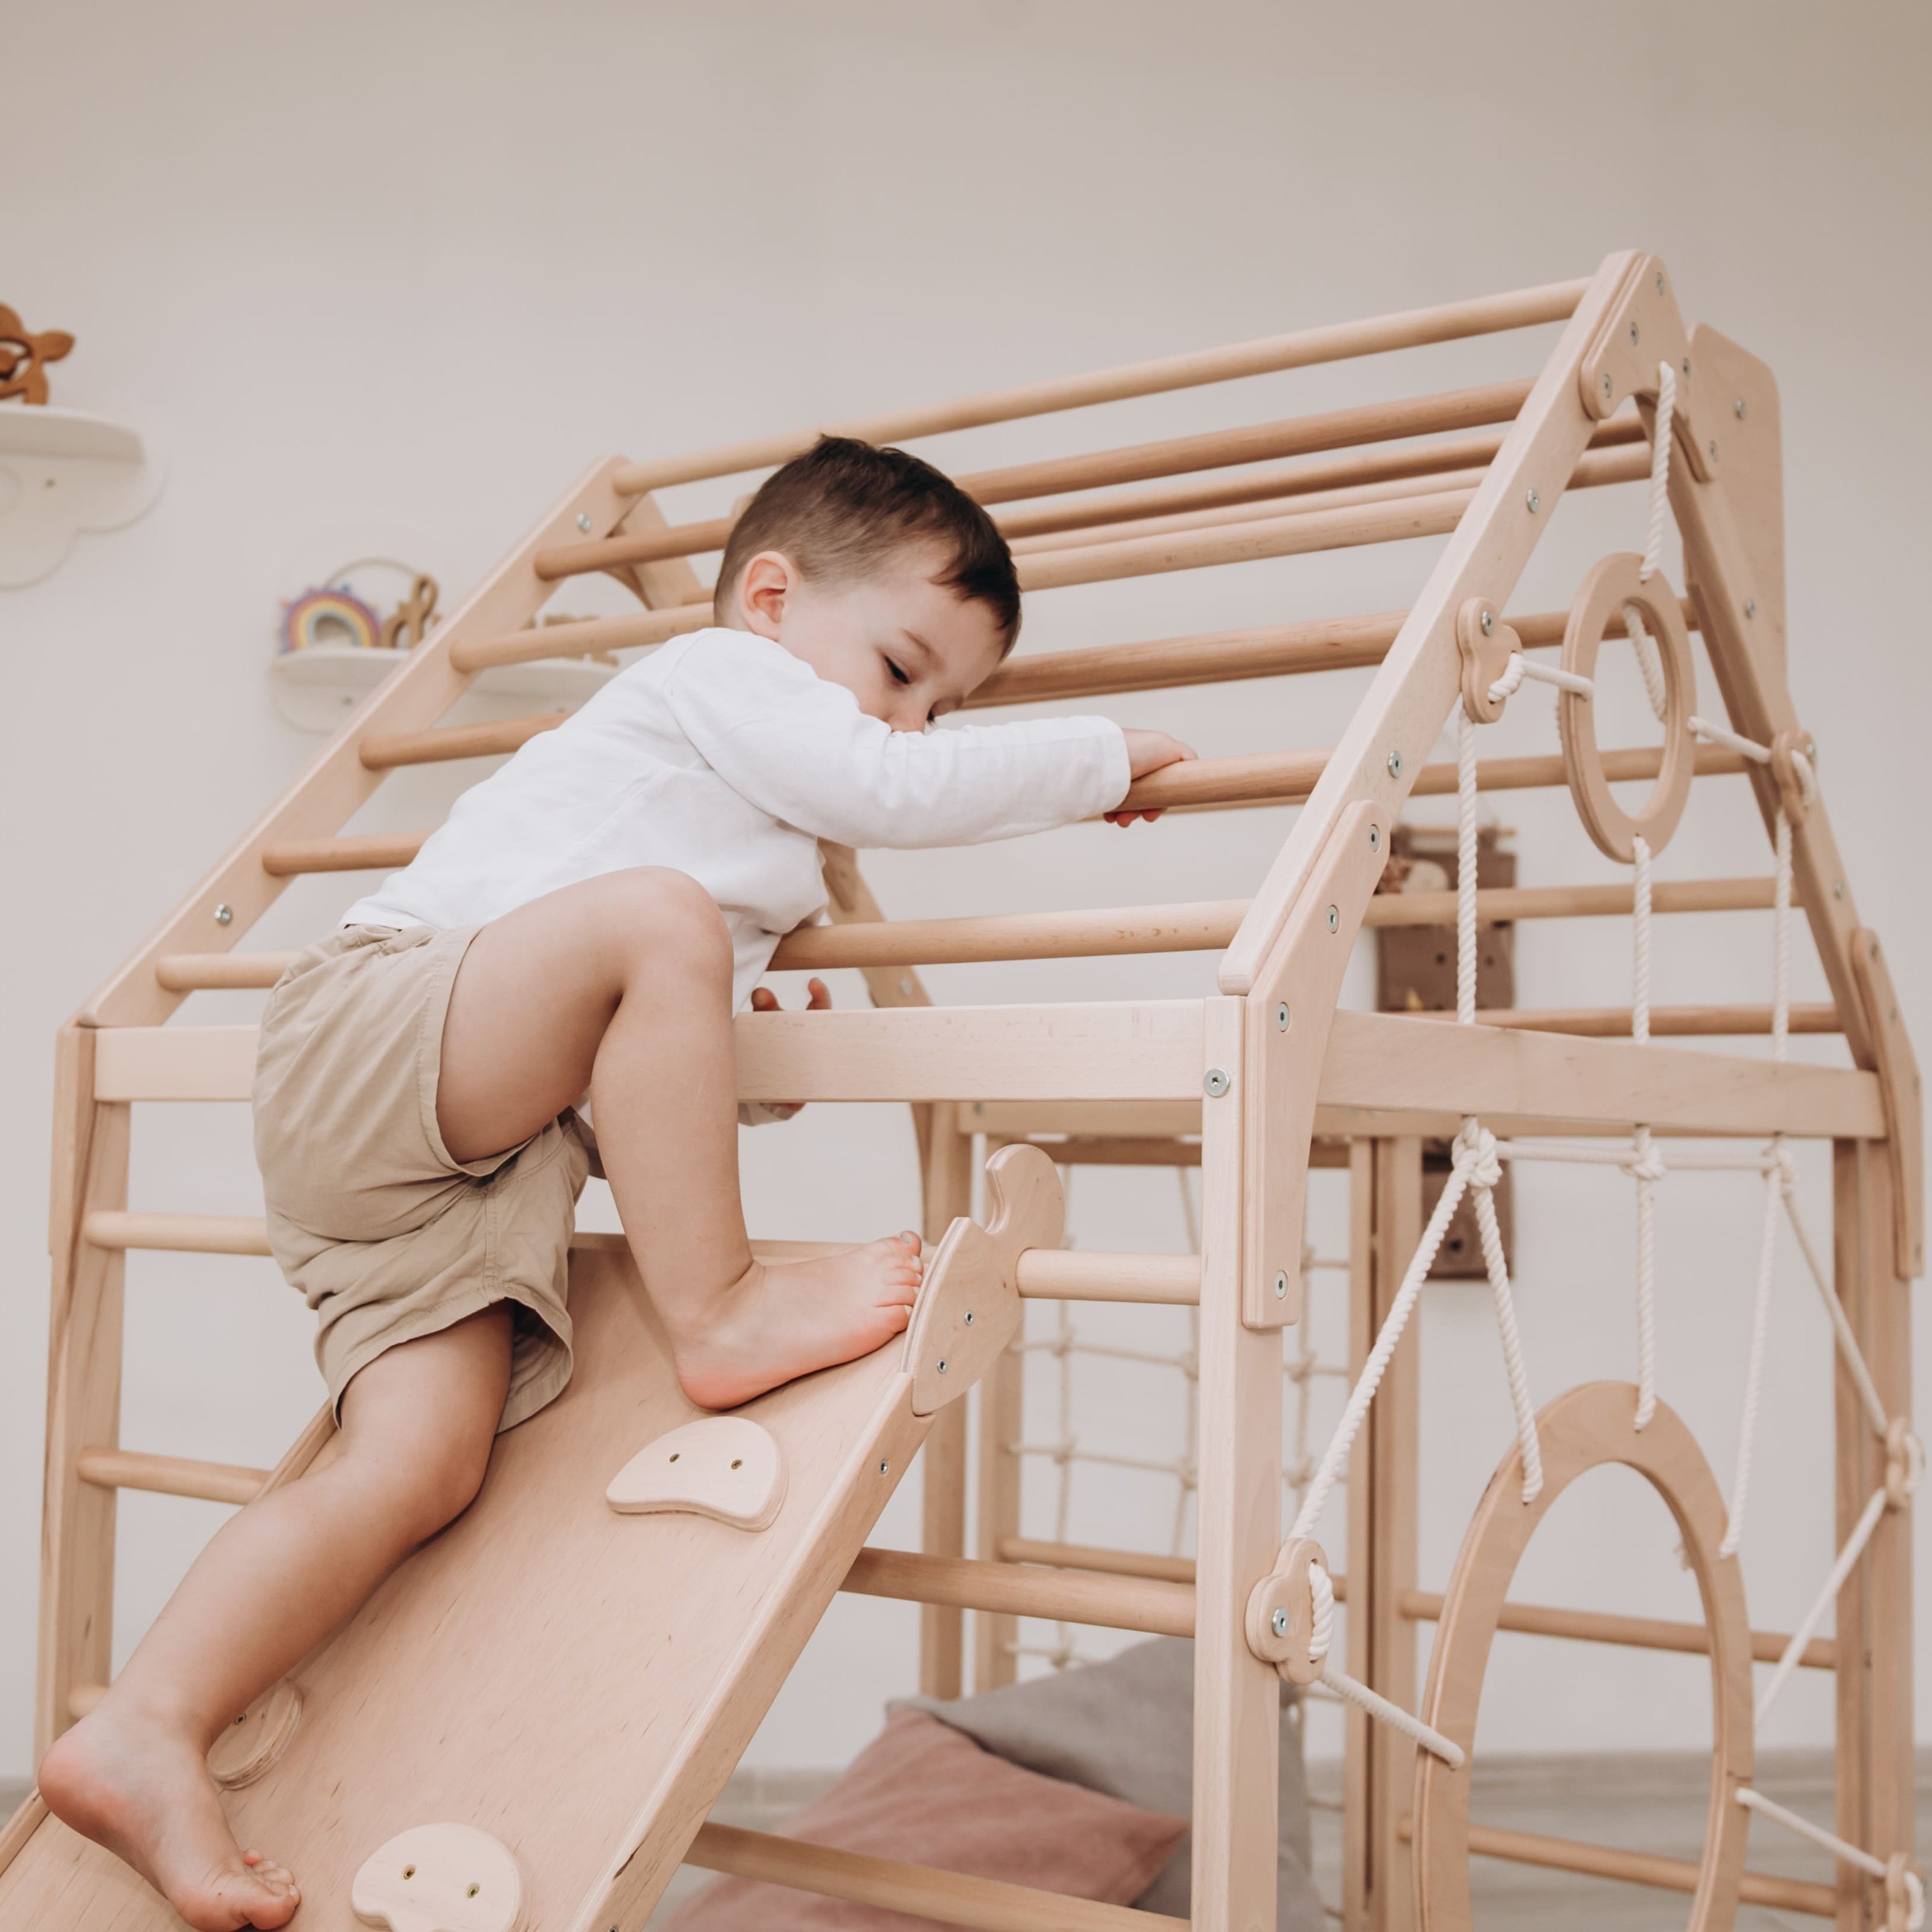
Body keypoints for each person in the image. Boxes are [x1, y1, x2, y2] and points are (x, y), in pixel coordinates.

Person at [38, 437, 1195, 1928]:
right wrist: (1103, 764)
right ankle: (717, 1314)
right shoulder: (718, 679)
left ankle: (147, 1724)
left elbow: (626, 1061)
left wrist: (737, 1062)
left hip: (472, 1170)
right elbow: (878, 791)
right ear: (768, 601)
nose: (912, 724)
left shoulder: (758, 846)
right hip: (380, 1028)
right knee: (660, 921)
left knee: (417, 1467)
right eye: (904, 671)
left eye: (945, 709)